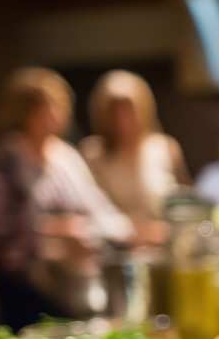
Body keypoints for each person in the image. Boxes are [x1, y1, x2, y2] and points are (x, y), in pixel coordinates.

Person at [0, 67, 133, 329]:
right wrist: (55, 231)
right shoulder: (4, 160)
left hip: (74, 283)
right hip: (25, 286)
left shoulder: (66, 157)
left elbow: (99, 209)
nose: (54, 115)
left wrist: (123, 230)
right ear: (24, 112)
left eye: (58, 106)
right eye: (45, 107)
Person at [80, 70, 187, 243]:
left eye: (128, 108)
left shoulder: (165, 147)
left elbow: (183, 202)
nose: (122, 118)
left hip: (165, 243)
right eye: (114, 110)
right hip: (117, 247)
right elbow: (91, 209)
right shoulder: (93, 153)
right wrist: (132, 232)